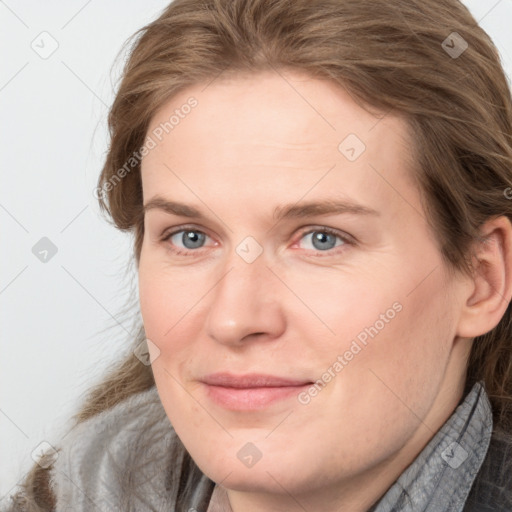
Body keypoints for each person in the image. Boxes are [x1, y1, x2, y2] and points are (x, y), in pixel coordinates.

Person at [3, 0, 512, 510]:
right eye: (190, 237)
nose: (233, 318)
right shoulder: (75, 488)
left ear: (482, 279)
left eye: (321, 239)